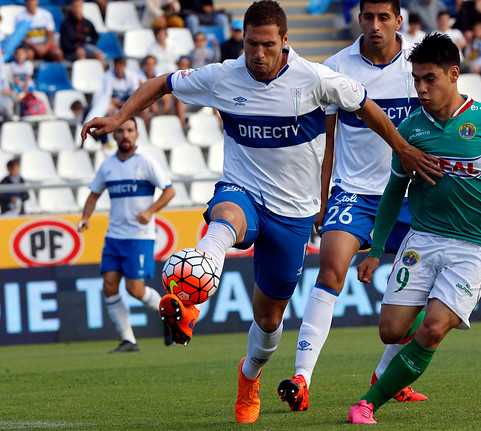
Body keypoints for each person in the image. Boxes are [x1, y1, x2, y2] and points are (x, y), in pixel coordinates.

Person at [81, 0, 438, 423]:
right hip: (243, 192)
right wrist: (120, 115)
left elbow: (366, 106)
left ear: (285, 41)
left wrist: (400, 147)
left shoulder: (317, 78)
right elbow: (163, 83)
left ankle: (249, 376)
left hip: (293, 214)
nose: (258, 54)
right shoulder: (223, 76)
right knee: (225, 218)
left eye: (268, 45)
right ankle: (189, 295)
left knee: (268, 321)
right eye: (251, 44)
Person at [347, 32, 481, 424]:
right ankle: (393, 369)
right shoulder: (411, 129)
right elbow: (394, 190)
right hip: (423, 239)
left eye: (430, 78)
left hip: (475, 247)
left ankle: (368, 402)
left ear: (454, 73)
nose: (421, 88)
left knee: (431, 330)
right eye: (416, 79)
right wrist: (376, 251)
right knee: (390, 331)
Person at [277, 0, 435, 413]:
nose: (376, 25)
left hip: (409, 193)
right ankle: (302, 377)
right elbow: (326, 142)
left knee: (420, 293)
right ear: (359, 19)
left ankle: (387, 377)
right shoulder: (336, 69)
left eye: (385, 17)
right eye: (369, 17)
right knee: (331, 267)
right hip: (354, 191)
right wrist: (320, 193)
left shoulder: (419, 65)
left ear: (399, 20)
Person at [78, 118, 176, 353]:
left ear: (137, 134)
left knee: (135, 289)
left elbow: (170, 191)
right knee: (109, 285)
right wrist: (85, 218)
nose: (125, 135)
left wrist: (150, 211)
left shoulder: (146, 162)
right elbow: (93, 195)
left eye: (130, 130)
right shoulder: (108, 165)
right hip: (114, 236)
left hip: (139, 236)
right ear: (114, 135)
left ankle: (170, 315)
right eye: (120, 131)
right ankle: (128, 340)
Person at [60, 0, 105, 67]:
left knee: (98, 54)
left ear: (82, 7)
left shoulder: (87, 22)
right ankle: (84, 75)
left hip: (85, 47)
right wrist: (76, 48)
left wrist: (90, 44)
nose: (77, 9)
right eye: (75, 7)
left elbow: (96, 36)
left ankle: (102, 75)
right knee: (81, 53)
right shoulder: (66, 24)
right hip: (71, 52)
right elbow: (64, 44)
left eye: (79, 6)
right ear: (72, 8)